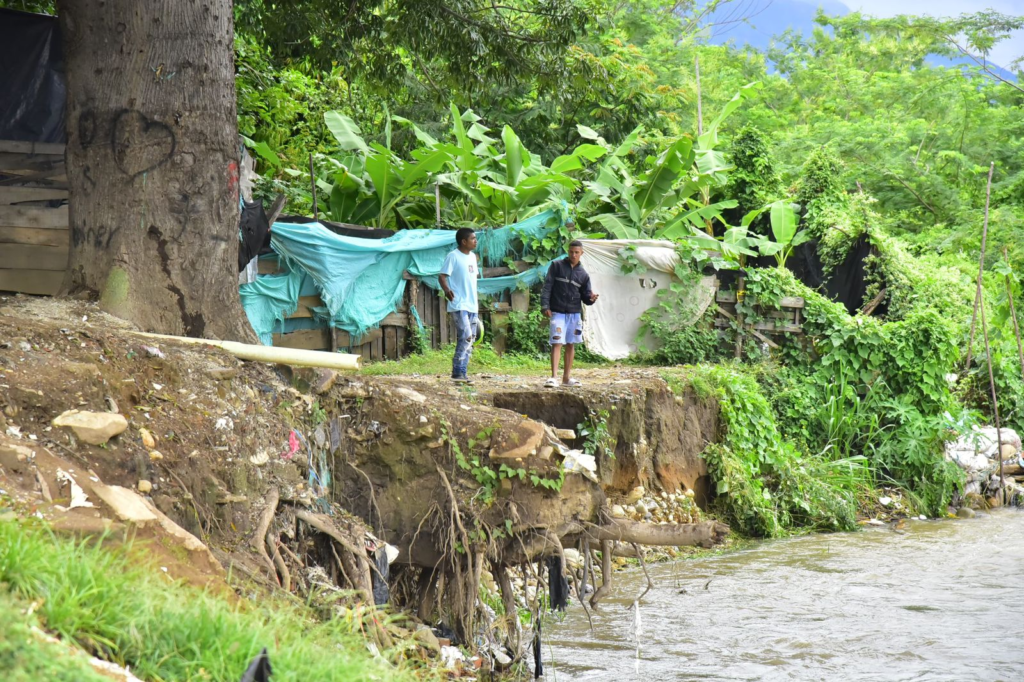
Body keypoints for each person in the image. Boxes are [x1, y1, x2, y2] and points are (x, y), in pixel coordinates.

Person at [540, 240, 599, 387]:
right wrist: (545, 305)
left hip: (574, 313)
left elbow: (585, 297)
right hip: (557, 311)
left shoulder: (583, 275)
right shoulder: (556, 266)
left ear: (581, 253)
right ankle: (553, 377)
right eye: (571, 251)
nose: (573, 254)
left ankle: (566, 379)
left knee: (571, 344)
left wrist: (591, 299)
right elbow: (547, 286)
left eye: (576, 252)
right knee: (557, 342)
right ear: (568, 251)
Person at [439, 228, 480, 383]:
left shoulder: (473, 258)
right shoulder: (453, 256)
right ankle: (457, 372)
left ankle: (463, 372)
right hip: (459, 304)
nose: (476, 241)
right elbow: (442, 276)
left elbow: (471, 280)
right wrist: (447, 290)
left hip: (472, 305)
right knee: (466, 336)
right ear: (464, 241)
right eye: (473, 238)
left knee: (472, 338)